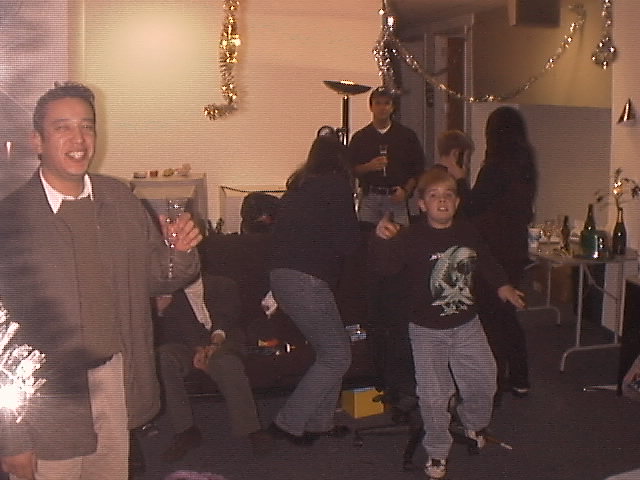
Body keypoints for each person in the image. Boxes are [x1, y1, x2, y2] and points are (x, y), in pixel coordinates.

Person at [0, 82, 201, 480]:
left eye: (87, 126)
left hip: (115, 379)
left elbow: (158, 279)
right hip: (47, 396)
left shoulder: (120, 200)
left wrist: (180, 251)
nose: (78, 139)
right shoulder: (13, 220)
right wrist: (12, 437)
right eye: (62, 127)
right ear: (37, 140)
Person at [370, 167, 525, 480]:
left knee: (486, 382)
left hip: (467, 325)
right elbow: (385, 269)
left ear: (457, 202)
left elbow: (485, 259)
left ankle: (471, 423)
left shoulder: (467, 231)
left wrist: (502, 285)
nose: (442, 201)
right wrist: (383, 240)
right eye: (434, 195)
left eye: (448, 195)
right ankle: (438, 453)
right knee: (435, 396)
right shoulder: (410, 237)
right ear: (422, 204)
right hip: (427, 332)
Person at [267, 134, 360, 444]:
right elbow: (349, 243)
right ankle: (287, 422)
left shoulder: (298, 188)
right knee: (337, 356)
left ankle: (320, 423)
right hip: (307, 281)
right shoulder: (337, 186)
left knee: (330, 352)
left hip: (282, 278)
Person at [153, 274, 271, 463]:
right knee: (163, 358)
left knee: (226, 363)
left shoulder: (224, 284)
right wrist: (159, 310)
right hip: (186, 346)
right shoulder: (171, 292)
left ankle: (251, 429)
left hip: (223, 342)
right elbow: (164, 332)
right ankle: (185, 431)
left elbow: (227, 318)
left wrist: (213, 345)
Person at [463, 106, 537, 399]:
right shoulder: (525, 165)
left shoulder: (495, 167)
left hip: (492, 251)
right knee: (506, 315)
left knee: (491, 319)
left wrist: (459, 179)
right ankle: (519, 377)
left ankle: (494, 384)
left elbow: (472, 206)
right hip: (515, 249)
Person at [348, 86, 424, 228]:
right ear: (371, 107)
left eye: (386, 103)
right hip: (370, 198)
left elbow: (417, 169)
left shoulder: (406, 136)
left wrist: (406, 192)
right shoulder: (360, 137)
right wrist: (368, 167)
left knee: (400, 238)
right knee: (366, 236)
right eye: (378, 103)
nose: (382, 108)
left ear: (392, 107)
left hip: (396, 198)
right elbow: (351, 169)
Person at [434, 129, 475, 209]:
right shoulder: (450, 182)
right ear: (456, 154)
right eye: (467, 158)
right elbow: (468, 209)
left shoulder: (431, 175)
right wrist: (461, 180)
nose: (468, 165)